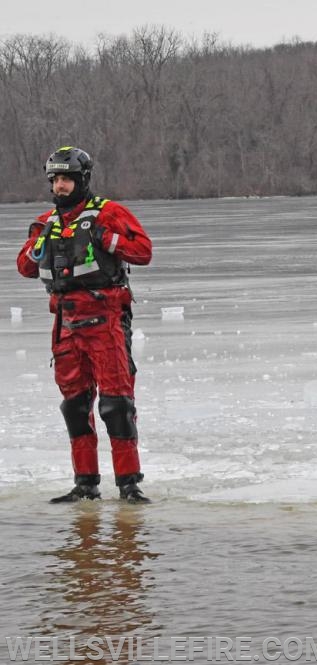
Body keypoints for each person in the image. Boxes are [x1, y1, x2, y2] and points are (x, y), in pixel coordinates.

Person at [16, 146, 153, 504]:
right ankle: (85, 484)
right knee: (76, 407)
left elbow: (143, 251)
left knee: (116, 406)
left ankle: (129, 486)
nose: (61, 186)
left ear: (83, 180)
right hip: (65, 325)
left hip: (105, 321)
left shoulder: (109, 213)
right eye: (56, 180)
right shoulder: (45, 222)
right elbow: (25, 268)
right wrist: (38, 243)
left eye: (67, 179)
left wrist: (108, 240)